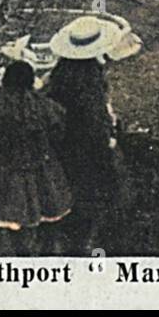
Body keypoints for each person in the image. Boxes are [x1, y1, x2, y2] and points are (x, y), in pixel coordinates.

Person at [45, 17, 131, 254]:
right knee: (94, 204)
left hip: (62, 151)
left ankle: (69, 244)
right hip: (86, 153)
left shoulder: (59, 75)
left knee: (69, 205)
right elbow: (96, 124)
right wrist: (109, 141)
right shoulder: (90, 79)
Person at [0, 60, 73, 255]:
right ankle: (47, 253)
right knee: (49, 212)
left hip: (7, 171)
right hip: (43, 169)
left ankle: (21, 256)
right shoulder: (46, 106)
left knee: (12, 219)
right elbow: (60, 133)